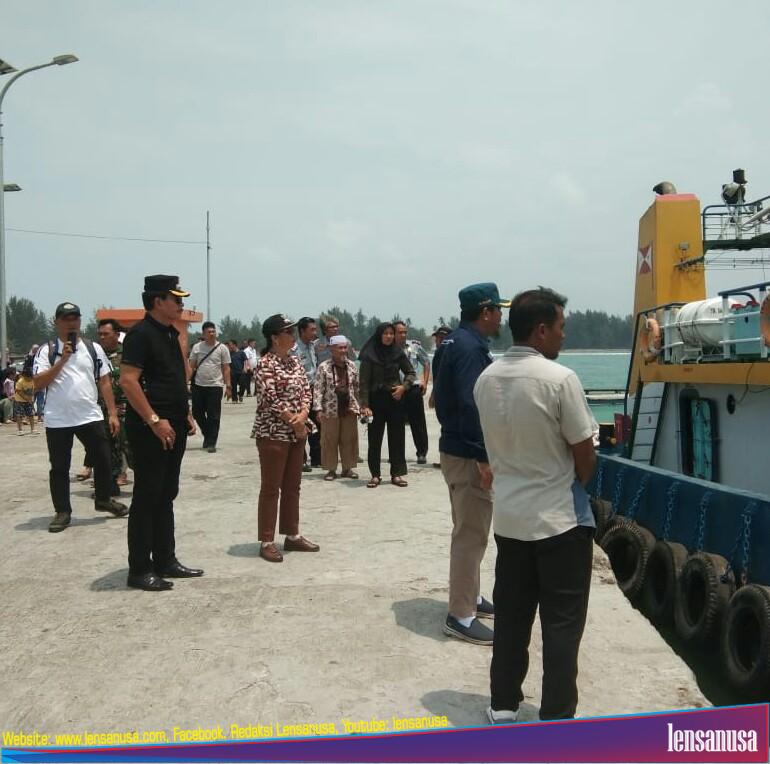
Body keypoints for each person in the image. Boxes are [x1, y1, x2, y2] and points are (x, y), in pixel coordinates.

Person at [474, 287, 597, 722]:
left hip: (509, 519)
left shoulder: (486, 378)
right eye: (561, 328)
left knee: (511, 617)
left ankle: (503, 704)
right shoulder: (559, 379)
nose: (564, 336)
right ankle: (557, 716)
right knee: (562, 626)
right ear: (541, 330)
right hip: (559, 522)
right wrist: (574, 480)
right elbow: (585, 452)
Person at [433, 282, 510, 645]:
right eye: (498, 310)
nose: (501, 317)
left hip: (453, 447)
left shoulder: (450, 342)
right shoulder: (470, 349)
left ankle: (472, 596)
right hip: (466, 454)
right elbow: (471, 405)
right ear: (485, 312)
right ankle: (460, 615)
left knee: (469, 527)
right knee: (470, 533)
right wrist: (483, 456)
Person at [120, 275, 203, 591]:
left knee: (166, 493)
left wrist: (186, 414)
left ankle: (165, 559)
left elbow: (173, 380)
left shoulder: (170, 333)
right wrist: (155, 420)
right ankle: (140, 569)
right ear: (158, 301)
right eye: (176, 299)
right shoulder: (140, 335)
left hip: (173, 424)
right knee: (147, 495)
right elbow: (129, 381)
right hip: (150, 428)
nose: (181, 305)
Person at [32, 302, 128, 533]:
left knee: (104, 459)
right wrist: (62, 360)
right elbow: (38, 383)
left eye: (75, 317)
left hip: (89, 415)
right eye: (66, 318)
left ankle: (104, 499)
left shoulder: (93, 348)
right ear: (56, 322)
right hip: (58, 419)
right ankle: (62, 511)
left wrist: (112, 413)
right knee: (59, 467)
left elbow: (104, 380)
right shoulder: (47, 350)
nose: (71, 322)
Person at [252, 314, 320, 563]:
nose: (293, 336)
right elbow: (270, 398)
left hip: (297, 431)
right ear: (274, 337)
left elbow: (306, 390)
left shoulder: (295, 361)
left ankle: (292, 534)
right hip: (273, 432)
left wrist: (303, 415)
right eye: (288, 332)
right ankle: (267, 540)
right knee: (271, 487)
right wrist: (294, 420)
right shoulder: (265, 364)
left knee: (293, 486)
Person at [358, 323, 415, 488]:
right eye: (386, 334)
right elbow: (364, 383)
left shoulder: (398, 352)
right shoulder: (369, 354)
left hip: (395, 399)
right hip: (375, 401)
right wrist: (364, 405)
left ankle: (396, 474)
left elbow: (410, 372)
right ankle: (375, 475)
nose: (389, 336)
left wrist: (403, 387)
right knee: (374, 439)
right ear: (379, 335)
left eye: (391, 333)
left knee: (397, 438)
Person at [313, 335, 360, 481]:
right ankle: (331, 469)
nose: (343, 351)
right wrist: (318, 409)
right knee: (329, 440)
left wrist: (361, 406)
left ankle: (348, 468)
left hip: (349, 408)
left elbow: (357, 388)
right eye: (340, 348)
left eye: (345, 347)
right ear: (332, 349)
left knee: (349, 439)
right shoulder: (324, 367)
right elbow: (318, 389)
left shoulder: (352, 365)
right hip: (330, 409)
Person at [189, 321, 231, 453]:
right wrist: (185, 382)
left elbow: (226, 368)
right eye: (209, 332)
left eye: (213, 331)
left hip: (215, 386)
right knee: (197, 413)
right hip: (198, 385)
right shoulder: (197, 347)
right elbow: (191, 366)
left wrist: (228, 385)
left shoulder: (222, 348)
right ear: (203, 334)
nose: (212, 334)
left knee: (213, 415)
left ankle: (211, 442)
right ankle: (208, 434)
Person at [394, 321, 430, 464]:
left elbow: (426, 362)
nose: (403, 335)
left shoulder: (414, 346)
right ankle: (397, 453)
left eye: (405, 332)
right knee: (396, 422)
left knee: (418, 422)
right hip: (396, 388)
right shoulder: (388, 348)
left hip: (413, 388)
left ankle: (421, 452)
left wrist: (425, 382)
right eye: (400, 332)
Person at [293, 316, 321, 470]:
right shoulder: (294, 349)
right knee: (301, 424)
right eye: (312, 330)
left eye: (315, 329)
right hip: (300, 392)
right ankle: (301, 459)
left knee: (317, 424)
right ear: (302, 331)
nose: (314, 332)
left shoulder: (312, 346)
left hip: (314, 389)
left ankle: (317, 458)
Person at [13, 360, 37, 435]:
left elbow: (34, 389)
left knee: (31, 414)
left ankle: (33, 429)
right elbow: (18, 391)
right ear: (24, 376)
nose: (29, 379)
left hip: (29, 400)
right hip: (19, 400)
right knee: (19, 415)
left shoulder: (33, 380)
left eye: (30, 378)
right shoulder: (20, 381)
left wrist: (31, 397)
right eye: (27, 378)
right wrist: (26, 398)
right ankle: (20, 430)